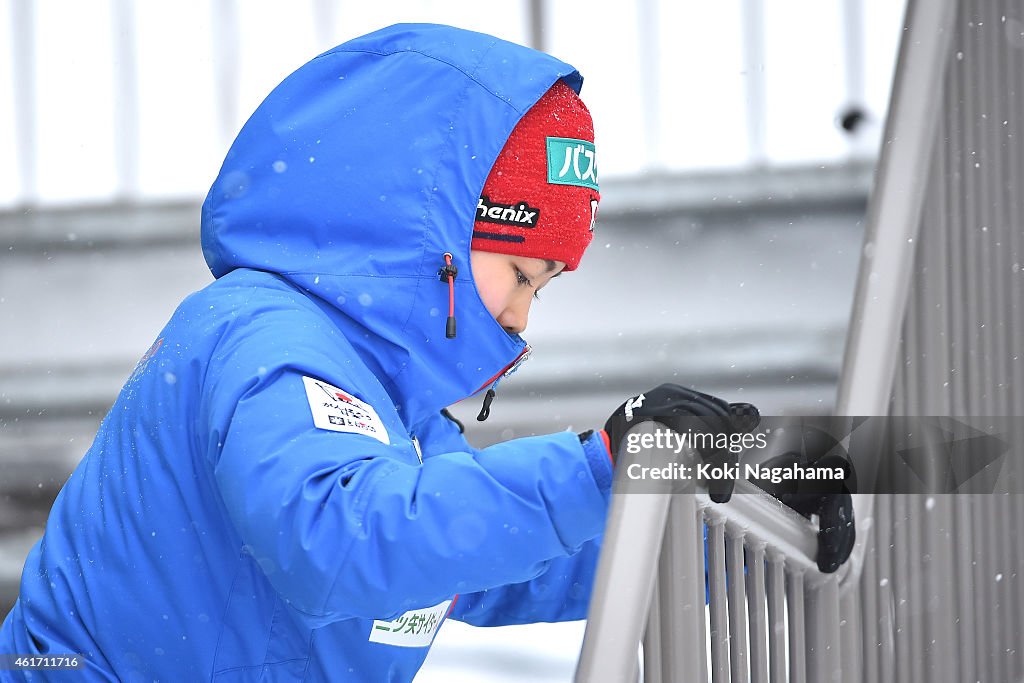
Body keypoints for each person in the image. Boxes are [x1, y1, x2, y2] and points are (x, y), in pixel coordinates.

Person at [0, 23, 752, 681]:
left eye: (542, 290)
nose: (523, 316)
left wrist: (731, 533)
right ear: (436, 231)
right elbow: (339, 541)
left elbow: (491, 554)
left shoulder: (397, 413)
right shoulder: (265, 339)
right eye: (522, 273)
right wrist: (596, 465)